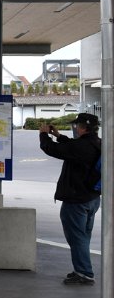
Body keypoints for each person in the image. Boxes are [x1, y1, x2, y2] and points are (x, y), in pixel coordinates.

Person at [39, 113, 102, 285]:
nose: (75, 128)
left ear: (82, 127)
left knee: (77, 237)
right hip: (92, 198)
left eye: (76, 125)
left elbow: (51, 149)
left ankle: (84, 273)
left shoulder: (81, 146)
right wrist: (59, 136)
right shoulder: (98, 143)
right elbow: (72, 147)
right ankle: (82, 269)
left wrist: (44, 134)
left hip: (76, 200)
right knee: (83, 236)